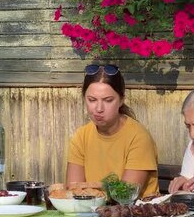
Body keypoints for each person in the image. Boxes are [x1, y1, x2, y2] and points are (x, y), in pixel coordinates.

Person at [66, 64, 159, 197]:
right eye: (92, 100)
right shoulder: (81, 136)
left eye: (108, 100)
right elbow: (73, 191)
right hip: (90, 212)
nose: (98, 108)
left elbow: (125, 195)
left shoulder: (138, 137)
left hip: (134, 214)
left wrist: (92, 191)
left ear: (121, 100)